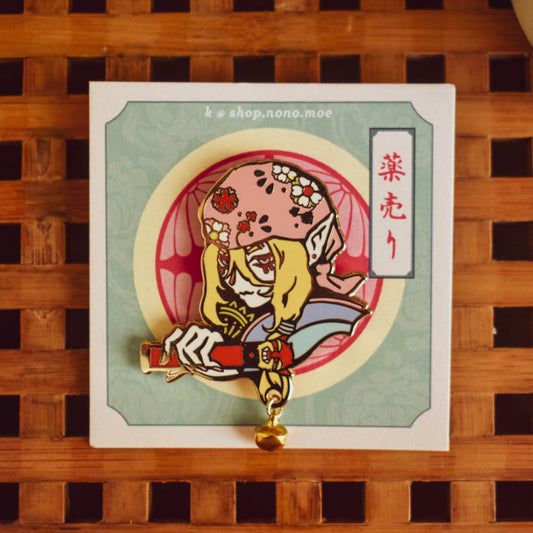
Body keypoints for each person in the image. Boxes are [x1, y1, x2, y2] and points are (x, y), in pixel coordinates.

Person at [156, 160, 369, 407]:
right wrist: (201, 350)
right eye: (225, 262)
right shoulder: (239, 316)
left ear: (315, 242)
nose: (240, 282)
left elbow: (282, 352)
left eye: (262, 261)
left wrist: (224, 358)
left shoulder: (330, 317)